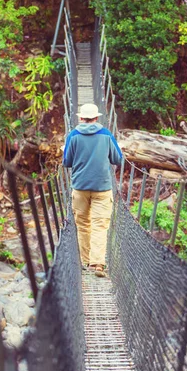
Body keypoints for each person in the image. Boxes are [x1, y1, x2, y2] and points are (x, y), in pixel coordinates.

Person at [62, 103, 123, 277]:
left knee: (82, 225)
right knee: (100, 225)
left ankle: (85, 261)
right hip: (102, 187)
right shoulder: (106, 135)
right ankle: (97, 264)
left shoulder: (73, 135)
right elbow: (117, 159)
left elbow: (66, 162)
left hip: (80, 187)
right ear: (96, 118)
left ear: (81, 118)